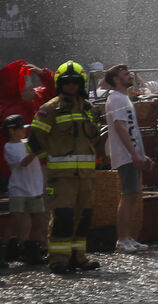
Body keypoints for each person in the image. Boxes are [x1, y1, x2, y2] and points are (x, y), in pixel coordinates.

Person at [29, 60, 102, 274]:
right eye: (67, 82)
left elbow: (94, 137)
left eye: (76, 82)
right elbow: (34, 140)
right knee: (63, 217)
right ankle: (58, 259)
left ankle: (78, 257)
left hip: (86, 176)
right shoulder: (50, 109)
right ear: (60, 84)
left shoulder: (89, 109)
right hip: (61, 178)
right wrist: (50, 161)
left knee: (83, 217)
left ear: (81, 83)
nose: (72, 85)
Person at [103, 64, 154, 253]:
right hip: (126, 155)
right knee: (128, 195)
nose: (130, 76)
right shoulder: (116, 98)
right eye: (126, 74)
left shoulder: (123, 98)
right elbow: (120, 127)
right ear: (116, 79)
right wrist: (133, 154)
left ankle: (128, 236)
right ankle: (122, 238)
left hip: (131, 154)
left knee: (132, 196)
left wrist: (140, 154)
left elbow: (131, 129)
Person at [4, 114, 47, 266]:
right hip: (19, 189)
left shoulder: (26, 143)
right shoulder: (9, 147)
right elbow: (23, 163)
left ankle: (32, 251)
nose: (24, 130)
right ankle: (5, 248)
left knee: (38, 221)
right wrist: (35, 151)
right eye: (21, 128)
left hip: (34, 188)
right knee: (15, 220)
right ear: (11, 131)